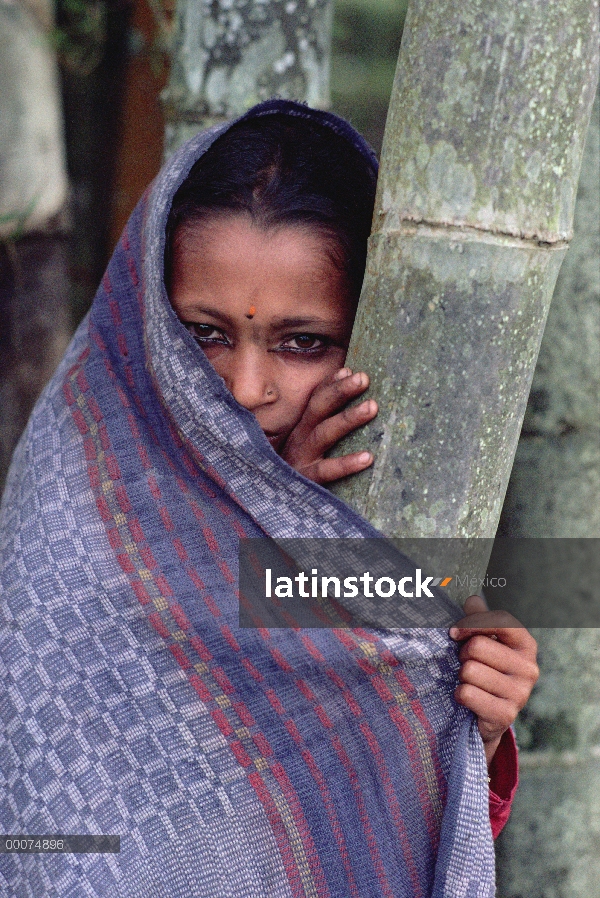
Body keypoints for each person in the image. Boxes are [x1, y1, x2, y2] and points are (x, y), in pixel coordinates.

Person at [0, 99, 537, 898]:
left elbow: (345, 829)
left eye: (304, 343)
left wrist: (473, 727)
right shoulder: (74, 512)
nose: (248, 389)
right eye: (205, 334)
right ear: (145, 323)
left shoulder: (401, 525)